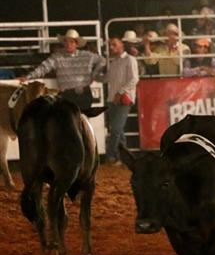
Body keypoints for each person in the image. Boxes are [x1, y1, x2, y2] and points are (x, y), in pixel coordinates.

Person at [19, 29, 105, 109]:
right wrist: (28, 76)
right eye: (66, 41)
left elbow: (102, 61)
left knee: (81, 117)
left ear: (76, 44)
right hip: (68, 94)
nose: (68, 44)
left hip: (83, 93)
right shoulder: (57, 57)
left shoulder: (86, 55)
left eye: (71, 42)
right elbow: (44, 67)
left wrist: (94, 75)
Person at [103, 36, 139, 165]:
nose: (111, 47)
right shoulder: (115, 62)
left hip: (122, 98)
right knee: (118, 129)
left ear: (121, 45)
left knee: (116, 129)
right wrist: (94, 76)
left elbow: (134, 79)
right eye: (110, 45)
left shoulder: (130, 59)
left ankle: (111, 155)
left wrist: (120, 92)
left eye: (114, 44)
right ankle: (123, 157)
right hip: (114, 98)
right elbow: (107, 78)